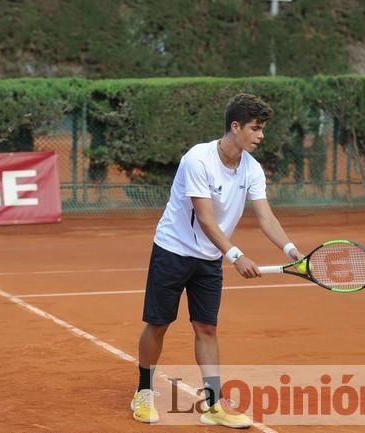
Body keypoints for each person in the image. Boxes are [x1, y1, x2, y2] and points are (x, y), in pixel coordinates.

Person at [131, 93, 304, 428]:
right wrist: (236, 255)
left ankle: (213, 405)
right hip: (173, 250)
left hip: (209, 258)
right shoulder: (198, 159)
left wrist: (291, 250)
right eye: (255, 128)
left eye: (262, 129)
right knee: (159, 323)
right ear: (235, 126)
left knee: (207, 327)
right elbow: (206, 219)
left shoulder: (252, 169)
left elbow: (266, 217)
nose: (261, 135)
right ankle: (143, 392)